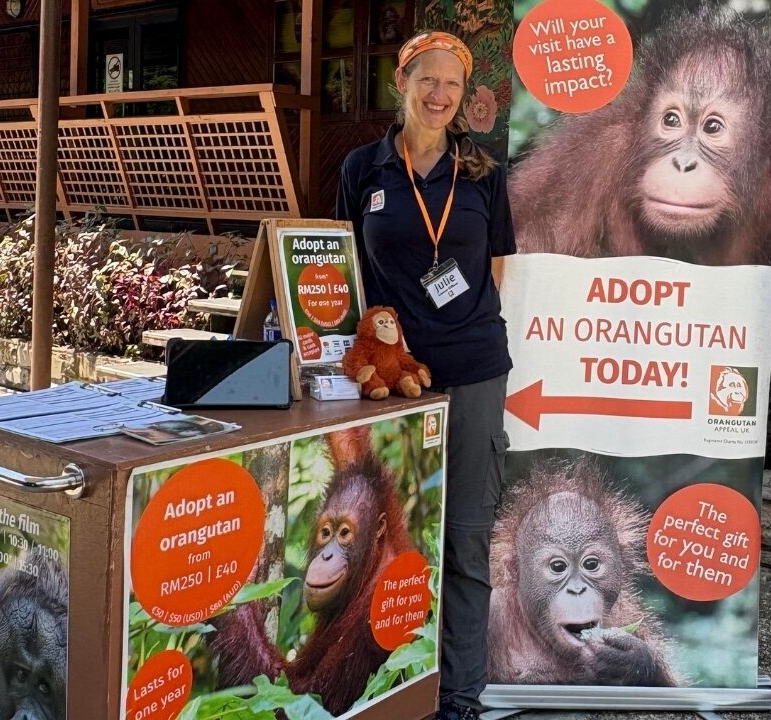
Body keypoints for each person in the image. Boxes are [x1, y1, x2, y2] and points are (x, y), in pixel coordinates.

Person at [335, 30, 515, 720]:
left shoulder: (483, 171)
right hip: (391, 376)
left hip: (471, 367)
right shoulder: (364, 169)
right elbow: (344, 268)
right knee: (381, 532)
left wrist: (462, 322)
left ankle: (460, 697)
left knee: (466, 535)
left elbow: (497, 262)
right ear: (400, 83)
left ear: (463, 97)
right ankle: (380, 689)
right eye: (426, 80)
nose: (439, 96)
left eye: (452, 85)